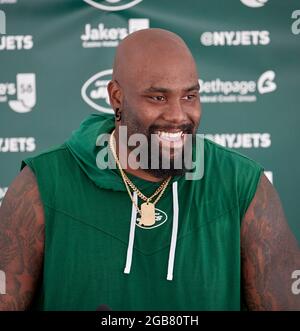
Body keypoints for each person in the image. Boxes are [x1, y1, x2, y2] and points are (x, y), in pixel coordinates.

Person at [0, 28, 299, 311]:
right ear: (117, 97)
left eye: (189, 96)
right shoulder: (43, 184)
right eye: (158, 97)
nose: (178, 115)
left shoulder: (242, 184)